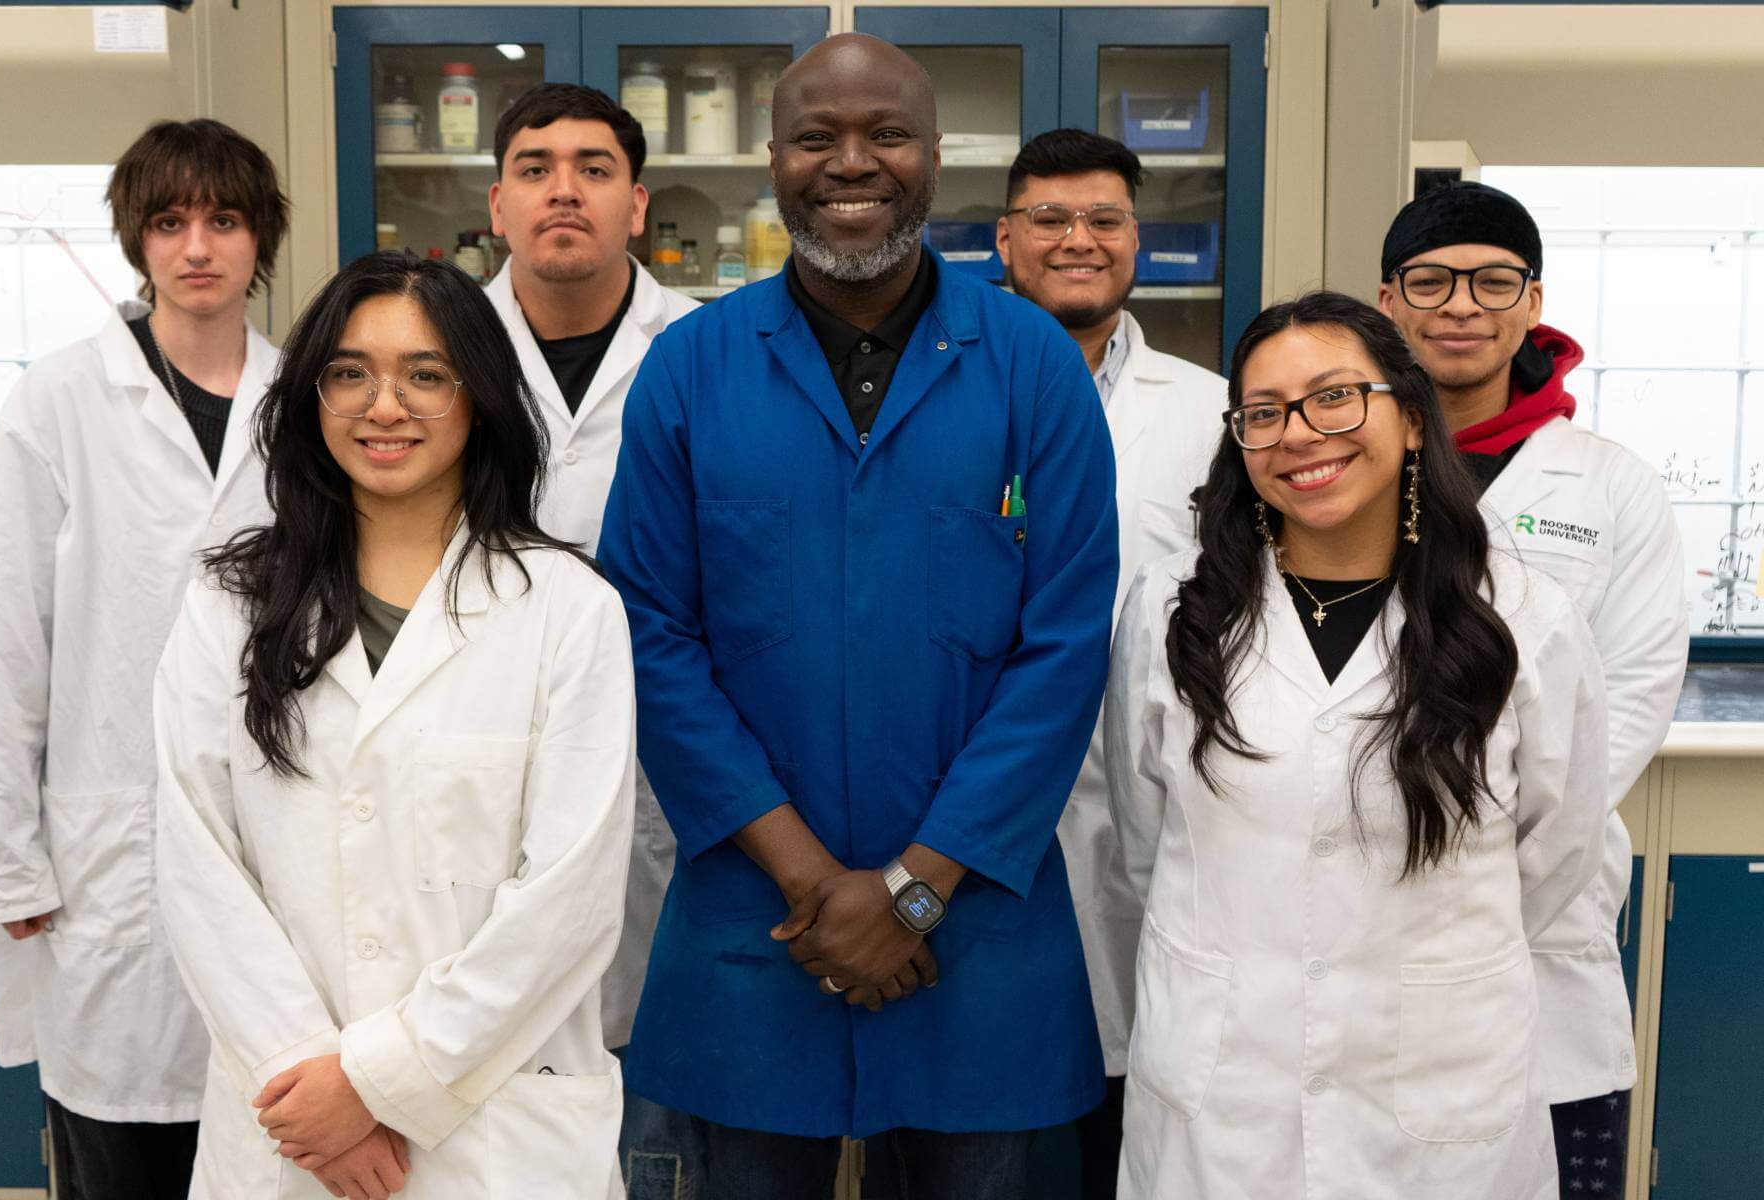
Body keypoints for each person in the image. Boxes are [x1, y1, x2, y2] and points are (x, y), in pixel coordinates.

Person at [598, 33, 1118, 1199]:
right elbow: (649, 637)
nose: (852, 162)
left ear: (935, 155)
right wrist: (812, 884)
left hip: (975, 935)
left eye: (885, 133)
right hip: (756, 923)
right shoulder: (690, 371)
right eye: (817, 137)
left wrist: (917, 891)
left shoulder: (1033, 367)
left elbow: (1067, 648)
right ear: (773, 159)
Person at [1105, 292, 1611, 1199]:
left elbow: (1555, 850)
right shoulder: (1173, 608)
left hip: (1434, 1083)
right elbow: (1147, 839)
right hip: (1226, 1084)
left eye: (1336, 397)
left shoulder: (1523, 619)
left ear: (1411, 420)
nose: (1300, 433)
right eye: (1263, 413)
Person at [152, 251, 635, 1199]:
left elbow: (567, 902)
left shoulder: (568, 610)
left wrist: (383, 1085)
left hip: (496, 1136)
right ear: (310, 397)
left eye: (425, 373)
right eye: (349, 372)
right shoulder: (229, 604)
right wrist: (321, 1103)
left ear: (481, 398)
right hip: (292, 1126)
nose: (385, 405)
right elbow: (197, 862)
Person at [0, 117, 288, 1200]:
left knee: (266, 1141)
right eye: (169, 221)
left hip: (274, 847)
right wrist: (6, 856)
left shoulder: (305, 404)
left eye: (224, 220)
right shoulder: (59, 399)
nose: (198, 246)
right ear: (136, 243)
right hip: (111, 857)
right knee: (120, 1144)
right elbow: (6, 642)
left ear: (259, 240)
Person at [1377, 182, 1688, 1200]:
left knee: (1549, 1154)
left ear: (1531, 301)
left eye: (1491, 281)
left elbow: (1636, 686)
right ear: (1390, 303)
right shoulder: (1345, 461)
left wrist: (1491, 831)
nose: (1461, 305)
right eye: (1431, 282)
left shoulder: (1607, 483)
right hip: (1364, 870)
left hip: (1539, 894)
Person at [479, 82, 703, 1196]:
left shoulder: (709, 354)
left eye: (593, 167)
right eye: (534, 166)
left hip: (664, 799)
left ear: (637, 205)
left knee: (653, 1130)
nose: (563, 188)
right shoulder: (433, 352)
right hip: (473, 789)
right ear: (497, 203)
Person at [995, 126, 1226, 1199]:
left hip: (1161, 820)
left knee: (1135, 1128)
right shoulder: (943, 386)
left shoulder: (1216, 411)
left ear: (1136, 240)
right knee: (993, 1137)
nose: (1076, 239)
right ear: (1003, 238)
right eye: (1048, 217)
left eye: (1103, 219)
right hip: (982, 813)